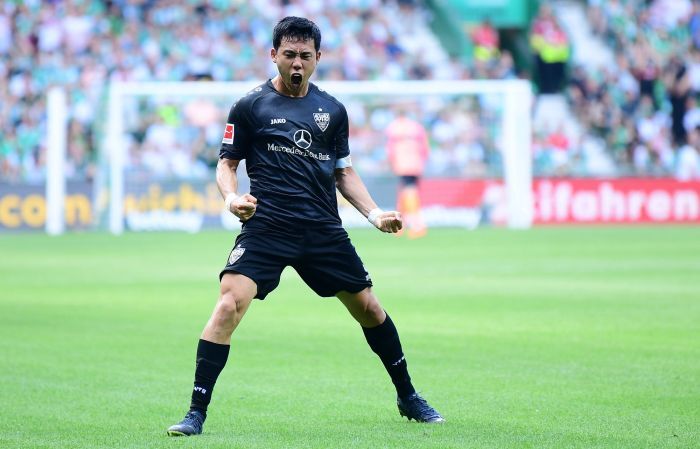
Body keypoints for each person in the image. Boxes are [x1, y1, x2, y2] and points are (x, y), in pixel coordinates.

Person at [166, 16, 444, 437]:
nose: (297, 63)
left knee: (369, 309)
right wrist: (231, 198)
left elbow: (344, 172)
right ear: (273, 55)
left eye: (306, 56)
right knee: (228, 304)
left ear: (318, 57)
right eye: (290, 55)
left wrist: (374, 214)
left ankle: (408, 395)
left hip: (321, 228)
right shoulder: (249, 106)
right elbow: (227, 164)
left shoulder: (332, 110)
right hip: (267, 226)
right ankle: (195, 413)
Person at [385, 105, 430, 238]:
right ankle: (400, 225)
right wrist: (423, 160)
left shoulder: (393, 127)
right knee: (406, 192)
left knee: (408, 191)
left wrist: (391, 162)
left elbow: (390, 148)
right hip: (416, 163)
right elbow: (425, 147)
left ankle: (416, 225)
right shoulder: (416, 127)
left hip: (401, 164)